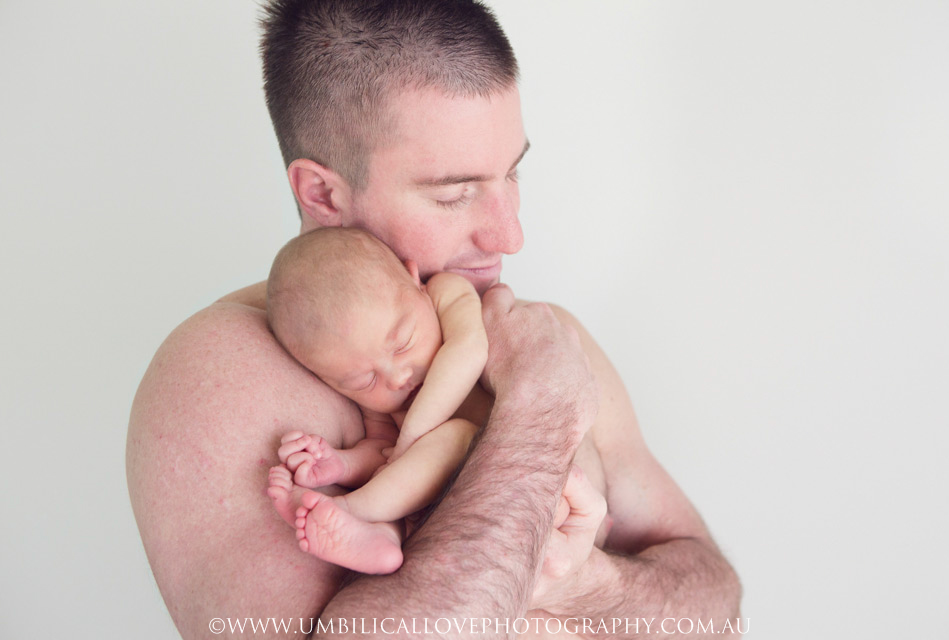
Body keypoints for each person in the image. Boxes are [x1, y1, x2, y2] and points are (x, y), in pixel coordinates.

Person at [126, 1, 741, 637]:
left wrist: (584, 584)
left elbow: (718, 611)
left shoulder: (542, 337)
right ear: (322, 193)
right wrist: (538, 415)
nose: (511, 236)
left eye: (512, 173)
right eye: (454, 193)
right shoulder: (219, 371)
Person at [264, 226, 490, 575]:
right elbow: (384, 455)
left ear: (413, 280)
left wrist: (412, 434)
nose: (397, 378)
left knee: (460, 435)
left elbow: (469, 349)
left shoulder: (445, 293)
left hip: (503, 463)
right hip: (441, 506)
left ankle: (348, 509)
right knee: (391, 489)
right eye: (364, 380)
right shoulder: (379, 405)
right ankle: (378, 539)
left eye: (403, 344)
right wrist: (341, 464)